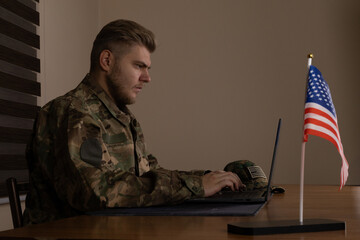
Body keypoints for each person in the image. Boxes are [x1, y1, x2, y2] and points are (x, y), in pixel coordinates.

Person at [23, 19, 243, 225]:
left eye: (147, 68)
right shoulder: (73, 112)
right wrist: (195, 186)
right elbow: (94, 192)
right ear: (107, 61)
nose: (147, 78)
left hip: (118, 231)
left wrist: (206, 179)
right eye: (139, 66)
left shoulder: (121, 117)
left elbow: (149, 174)